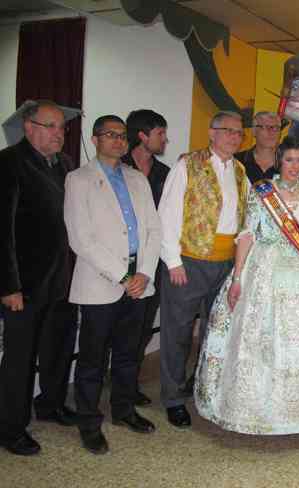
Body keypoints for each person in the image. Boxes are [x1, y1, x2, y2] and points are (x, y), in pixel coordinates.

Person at [194, 136, 299, 434]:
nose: (295, 166)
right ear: (280, 161)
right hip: (264, 266)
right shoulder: (262, 191)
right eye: (289, 160)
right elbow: (247, 234)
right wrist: (238, 278)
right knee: (258, 337)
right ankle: (255, 406)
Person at [64, 115, 161, 454]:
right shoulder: (78, 180)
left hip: (139, 282)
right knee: (92, 359)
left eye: (122, 135)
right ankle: (89, 423)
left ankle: (123, 410)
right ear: (95, 140)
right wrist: (123, 277)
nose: (118, 141)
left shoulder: (137, 178)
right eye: (110, 135)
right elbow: (81, 238)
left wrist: (144, 273)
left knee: (127, 354)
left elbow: (154, 230)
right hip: (100, 283)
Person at [158, 111, 249, 429]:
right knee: (178, 333)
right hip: (189, 261)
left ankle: (200, 387)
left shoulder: (240, 171)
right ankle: (172, 398)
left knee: (215, 332)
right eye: (228, 131)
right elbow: (167, 213)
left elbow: (244, 220)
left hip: (225, 264)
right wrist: (173, 260)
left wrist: (239, 269)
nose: (235, 137)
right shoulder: (187, 164)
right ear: (211, 133)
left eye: (239, 132)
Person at [0, 100, 78, 456]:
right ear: (29, 127)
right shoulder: (8, 163)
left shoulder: (65, 164)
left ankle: (51, 404)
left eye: (62, 127)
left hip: (62, 279)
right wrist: (9, 286)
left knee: (57, 349)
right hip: (24, 286)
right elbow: (2, 231)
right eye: (51, 126)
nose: (59, 133)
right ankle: (10, 428)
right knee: (19, 359)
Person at [122, 109, 170, 406]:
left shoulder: (165, 173)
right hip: (119, 262)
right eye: (160, 133)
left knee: (141, 330)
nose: (165, 139)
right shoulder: (117, 167)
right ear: (142, 135)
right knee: (113, 328)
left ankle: (128, 386)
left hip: (153, 263)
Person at [235, 111, 282, 184]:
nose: (271, 132)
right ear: (254, 131)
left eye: (275, 128)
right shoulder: (236, 162)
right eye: (265, 127)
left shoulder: (292, 164)